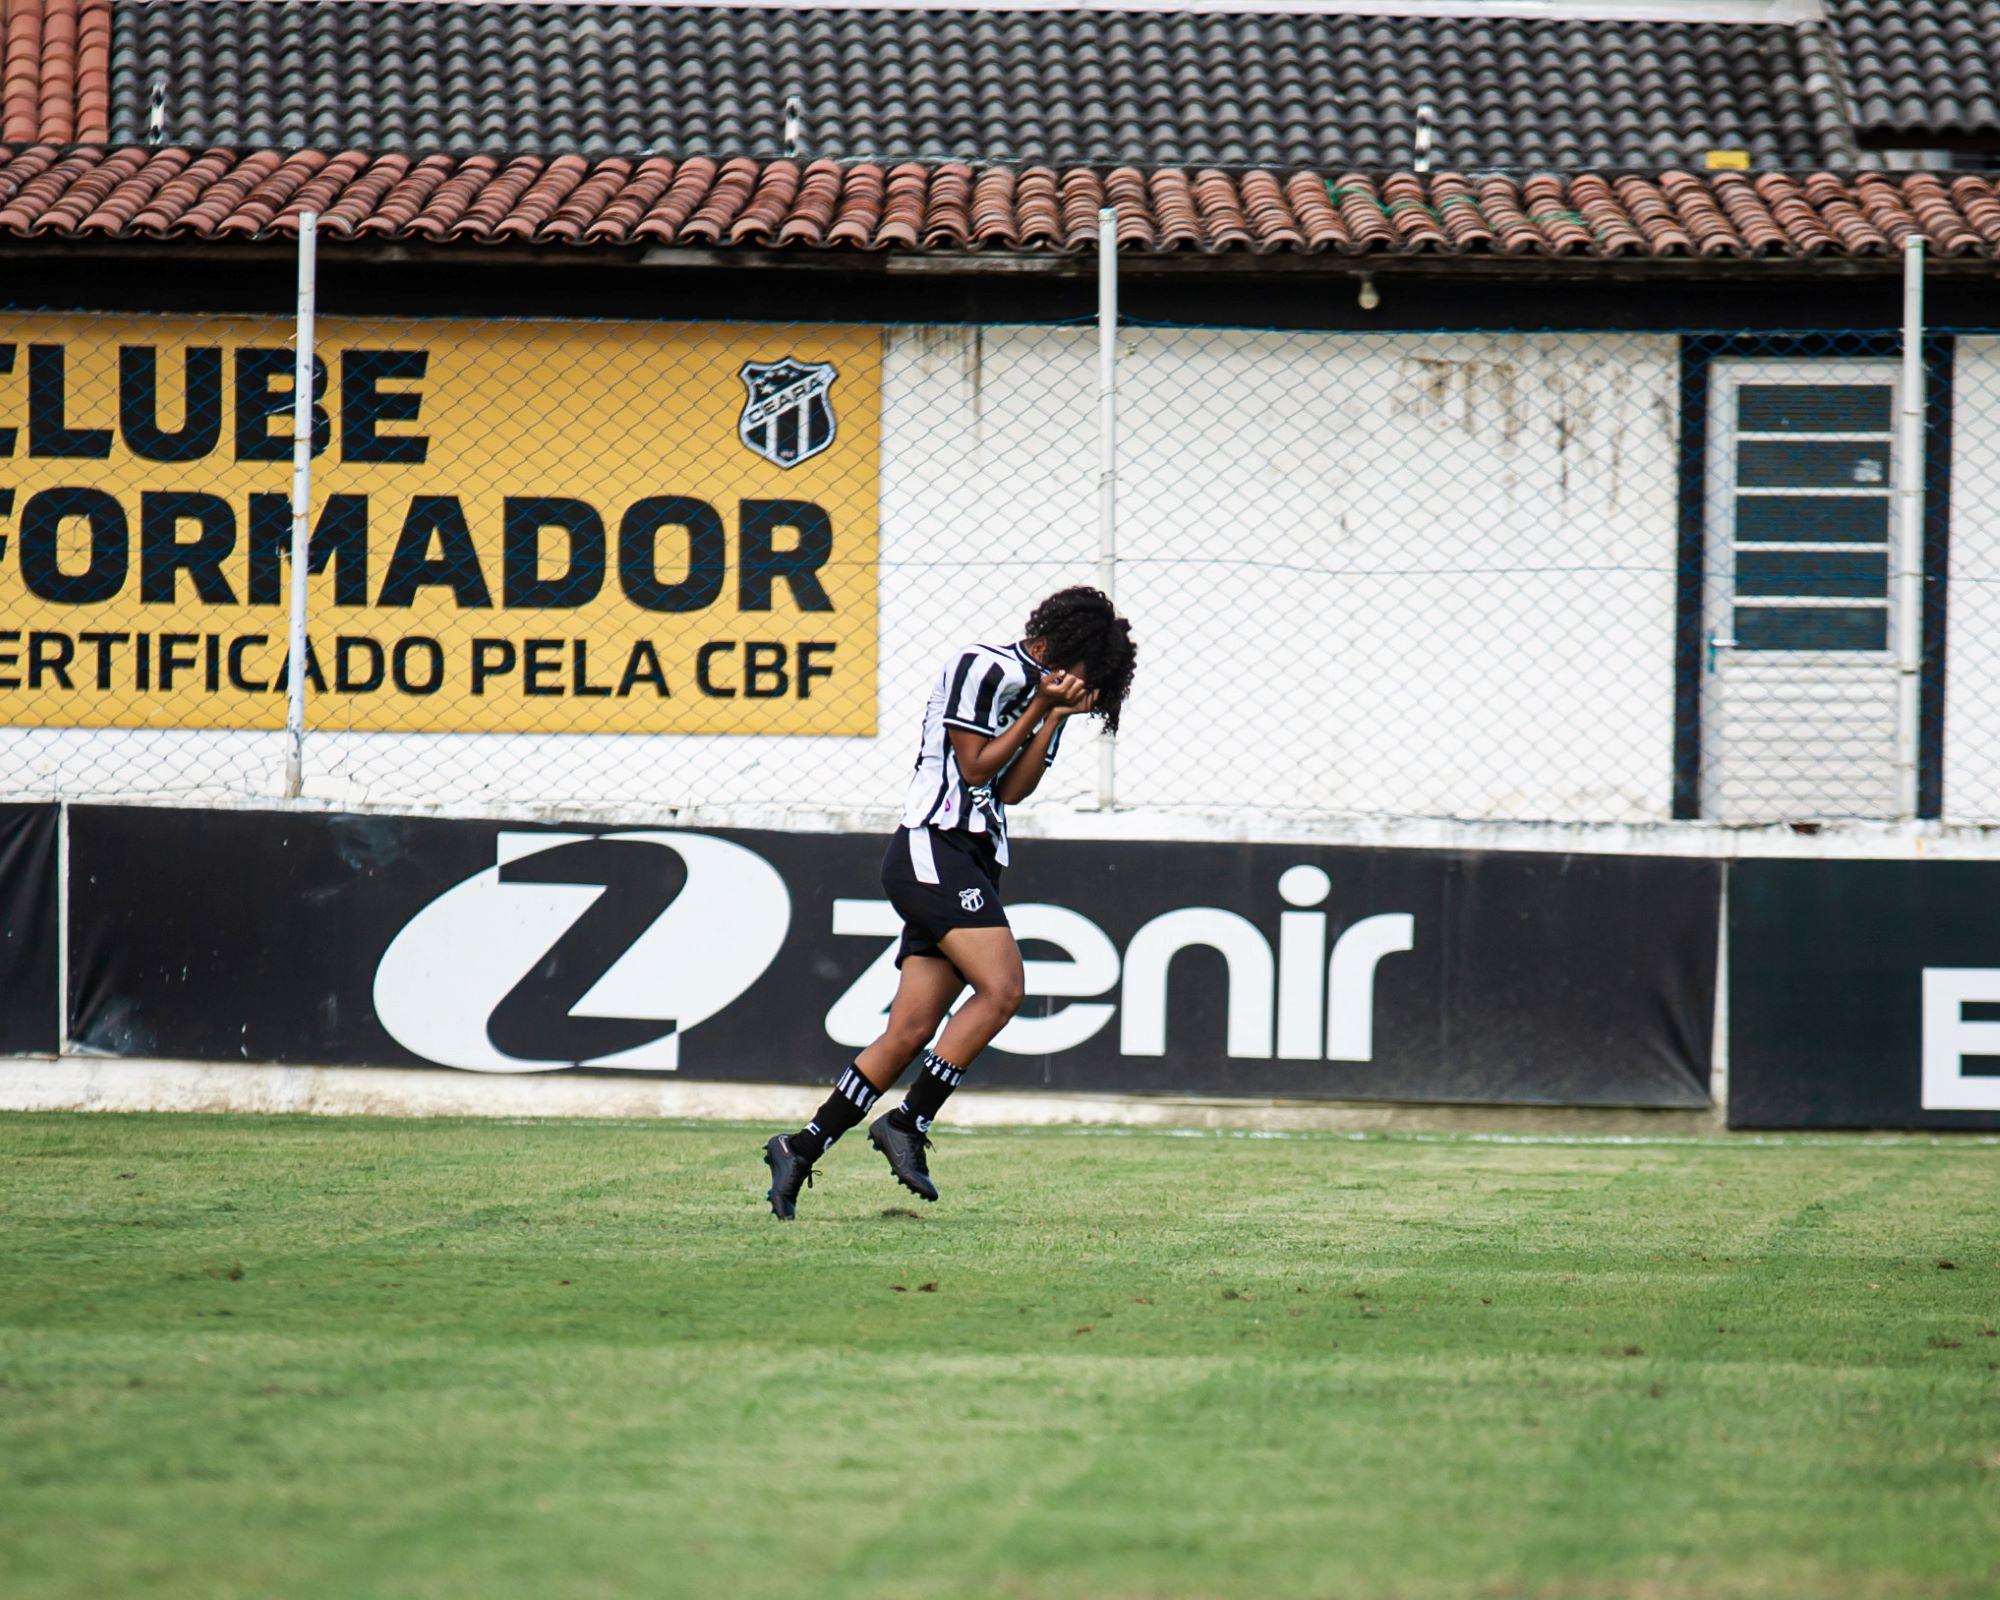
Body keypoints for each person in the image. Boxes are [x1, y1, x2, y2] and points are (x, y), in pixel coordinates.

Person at [763, 585, 1137, 1218]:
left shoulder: (1043, 696)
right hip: (932, 846)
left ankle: (800, 1145)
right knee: (1004, 990)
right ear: (1053, 647)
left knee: (909, 1031)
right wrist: (1038, 705)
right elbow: (971, 770)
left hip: (974, 860)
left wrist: (1052, 717)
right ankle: (909, 1120)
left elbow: (1011, 791)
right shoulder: (982, 665)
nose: (1081, 685)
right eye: (1080, 673)